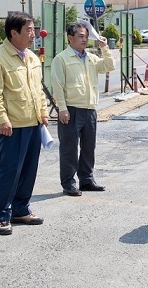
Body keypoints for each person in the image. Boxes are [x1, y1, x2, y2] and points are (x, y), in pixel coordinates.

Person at [0, 12, 49, 235]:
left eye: (33, 29)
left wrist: (43, 113)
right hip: (11, 125)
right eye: (29, 30)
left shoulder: (30, 57)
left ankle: (21, 209)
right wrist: (2, 119)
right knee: (10, 170)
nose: (33, 35)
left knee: (29, 169)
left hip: (32, 123)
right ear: (14, 33)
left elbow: (37, 89)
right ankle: (1, 215)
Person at [51, 22, 115, 197]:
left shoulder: (91, 58)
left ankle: (86, 180)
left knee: (88, 147)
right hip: (71, 110)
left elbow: (110, 66)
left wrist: (104, 48)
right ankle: (68, 183)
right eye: (80, 36)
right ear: (70, 38)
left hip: (89, 109)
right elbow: (57, 85)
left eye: (86, 36)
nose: (84, 39)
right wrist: (62, 109)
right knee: (69, 149)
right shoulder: (61, 59)